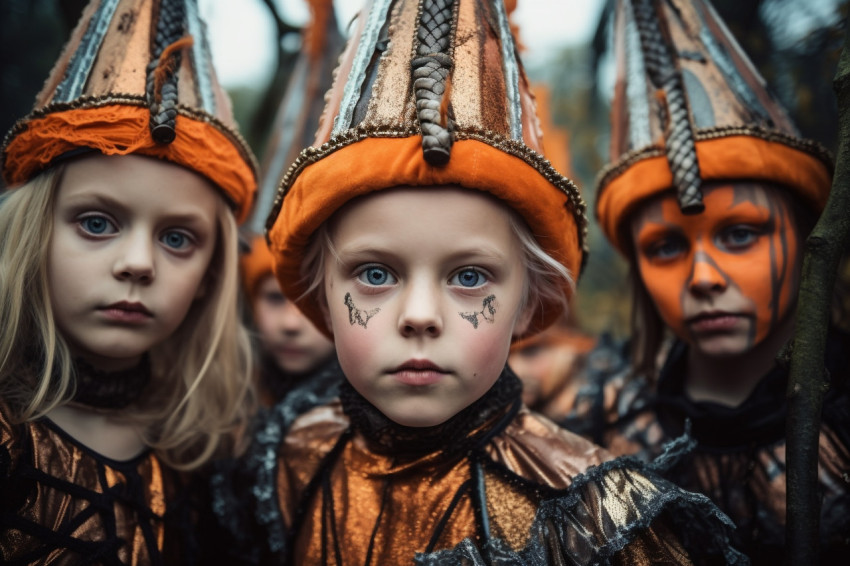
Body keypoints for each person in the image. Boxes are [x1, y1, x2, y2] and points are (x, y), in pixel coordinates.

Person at [222, 0, 745, 563]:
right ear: (322, 294)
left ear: (527, 301)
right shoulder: (285, 463)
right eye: (376, 273)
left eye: (469, 276)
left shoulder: (596, 517)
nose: (419, 315)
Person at [561, 0, 849, 562]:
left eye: (740, 234)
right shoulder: (602, 429)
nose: (703, 278)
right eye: (665, 246)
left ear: (803, 234)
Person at [0, 0, 258, 562]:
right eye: (96, 223)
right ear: (31, 234)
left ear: (211, 275)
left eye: (177, 238)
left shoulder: (208, 460)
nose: (138, 263)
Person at [240, 234, 338, 406]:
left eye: (313, 302)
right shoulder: (227, 396)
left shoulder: (366, 416)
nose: (290, 324)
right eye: (275, 298)